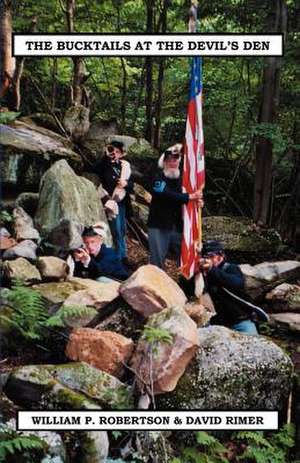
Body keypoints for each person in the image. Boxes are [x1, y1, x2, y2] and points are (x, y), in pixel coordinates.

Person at [147, 143, 203, 269]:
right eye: (169, 160)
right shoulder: (157, 177)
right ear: (164, 162)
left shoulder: (183, 180)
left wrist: (197, 201)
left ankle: (183, 283)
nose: (172, 163)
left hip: (177, 226)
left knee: (185, 255)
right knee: (157, 261)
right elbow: (167, 195)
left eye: (175, 159)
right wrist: (190, 197)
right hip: (158, 225)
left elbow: (189, 196)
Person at [196, 240, 260, 335]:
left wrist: (211, 270)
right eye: (206, 257)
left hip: (240, 321)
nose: (208, 260)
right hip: (218, 324)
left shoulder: (231, 268)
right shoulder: (203, 274)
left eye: (211, 256)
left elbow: (237, 283)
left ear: (221, 256)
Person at [96, 140, 134, 264]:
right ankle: (119, 257)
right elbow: (96, 168)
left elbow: (132, 185)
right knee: (116, 230)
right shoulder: (104, 165)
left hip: (122, 202)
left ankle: (123, 255)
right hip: (110, 202)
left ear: (122, 154)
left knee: (122, 229)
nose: (115, 154)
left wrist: (125, 184)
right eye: (113, 151)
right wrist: (106, 155)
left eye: (118, 152)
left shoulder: (124, 166)